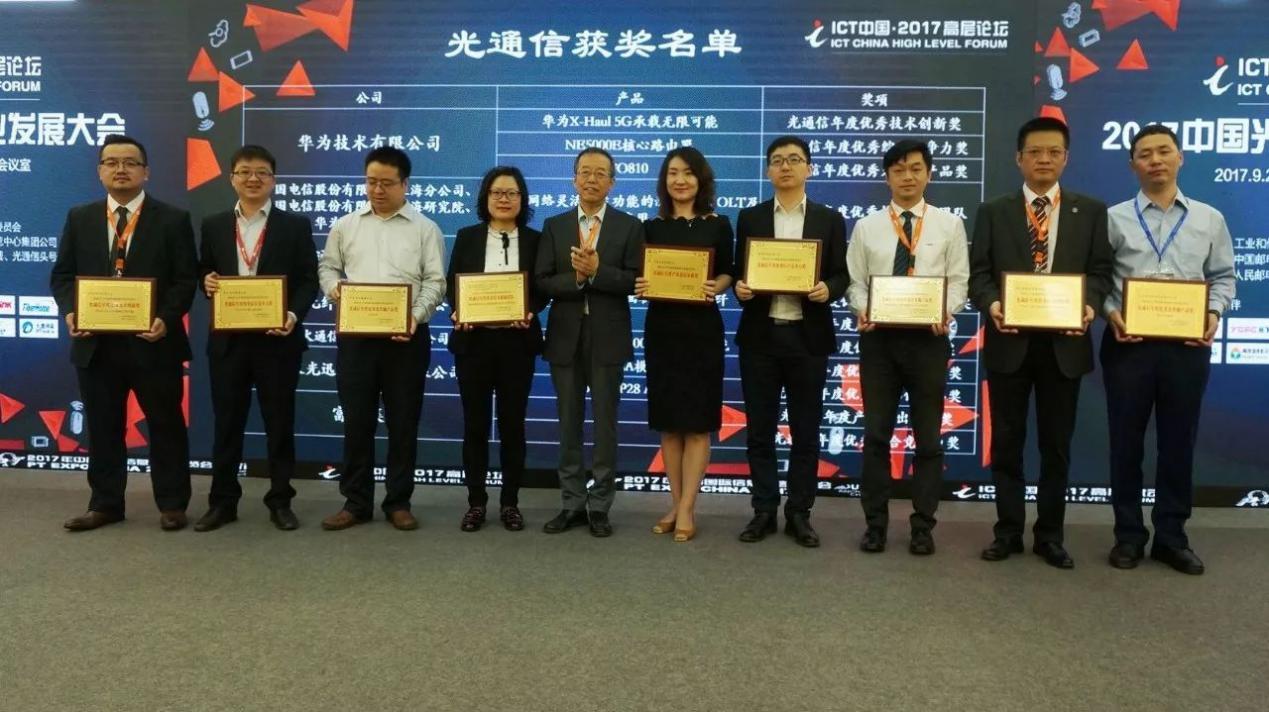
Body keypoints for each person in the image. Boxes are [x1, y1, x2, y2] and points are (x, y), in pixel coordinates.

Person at [968, 117, 1114, 568]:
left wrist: (1088, 307)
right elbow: (979, 275)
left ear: (1066, 158)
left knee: (1056, 447)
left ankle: (1050, 535)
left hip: (1064, 348)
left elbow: (1101, 273)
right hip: (1009, 344)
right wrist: (993, 305)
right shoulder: (994, 211)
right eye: (1035, 152)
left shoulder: (1091, 211)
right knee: (1007, 445)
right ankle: (1008, 532)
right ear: (1019, 158)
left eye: (1053, 152)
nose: (1044, 159)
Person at [1101, 124, 1235, 575]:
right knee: (1125, 443)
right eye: (1145, 154)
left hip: (1185, 346)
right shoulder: (1113, 218)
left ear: (1181, 158)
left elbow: (1223, 277)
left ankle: (1172, 537)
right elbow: (1098, 279)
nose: (1155, 160)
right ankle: (1128, 535)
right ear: (1132, 165)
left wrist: (1213, 313)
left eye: (1164, 151)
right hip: (1128, 345)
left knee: (1179, 442)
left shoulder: (1209, 219)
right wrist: (1110, 312)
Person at [50, 134, 198, 531]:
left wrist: (166, 318)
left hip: (155, 343)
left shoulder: (173, 219)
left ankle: (172, 504)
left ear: (146, 172)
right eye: (111, 162)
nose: (121, 169)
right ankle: (105, 504)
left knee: (165, 426)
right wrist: (71, 313)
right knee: (103, 427)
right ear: (99, 171)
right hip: (96, 346)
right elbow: (62, 276)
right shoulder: (80, 217)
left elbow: (185, 279)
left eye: (130, 163)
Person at [846, 139, 969, 556]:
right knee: (876, 436)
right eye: (898, 170)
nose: (907, 177)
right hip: (879, 342)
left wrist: (945, 311)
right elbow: (855, 283)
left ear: (929, 174)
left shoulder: (949, 225)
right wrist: (863, 309)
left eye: (915, 168)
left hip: (928, 342)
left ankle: (923, 526)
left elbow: (959, 281)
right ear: (887, 178)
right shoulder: (867, 227)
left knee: (928, 439)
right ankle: (875, 525)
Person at [317, 146, 446, 531]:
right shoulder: (346, 225)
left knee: (403, 423)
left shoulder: (425, 228)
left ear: (405, 184)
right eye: (371, 181)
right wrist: (335, 290)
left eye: (386, 183)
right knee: (357, 422)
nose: (377, 190)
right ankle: (355, 502)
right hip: (357, 339)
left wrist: (414, 317)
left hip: (406, 340)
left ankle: (398, 502)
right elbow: (328, 268)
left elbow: (435, 282)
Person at [194, 144, 318, 532]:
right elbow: (204, 269)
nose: (253, 178)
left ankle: (280, 501)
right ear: (232, 178)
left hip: (277, 341)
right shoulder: (214, 224)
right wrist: (205, 281)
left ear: (273, 180)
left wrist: (292, 316)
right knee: (227, 425)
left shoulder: (294, 225)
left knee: (279, 425)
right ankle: (222, 502)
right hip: (228, 342)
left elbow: (307, 280)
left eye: (262, 172)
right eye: (245, 171)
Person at [733, 135, 849, 548]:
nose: (786, 166)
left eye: (794, 159)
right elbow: (740, 272)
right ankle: (764, 510)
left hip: (807, 339)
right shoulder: (750, 217)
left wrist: (828, 289)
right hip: (760, 339)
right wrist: (741, 288)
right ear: (768, 170)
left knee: (805, 431)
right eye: (778, 160)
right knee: (760, 432)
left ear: (809, 169)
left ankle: (799, 512)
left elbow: (841, 274)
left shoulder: (828, 219)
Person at [534, 147, 644, 537]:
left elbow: (635, 280)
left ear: (612, 182)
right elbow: (543, 281)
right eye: (584, 172)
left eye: (600, 173)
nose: (591, 179)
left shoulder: (629, 226)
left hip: (608, 338)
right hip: (565, 338)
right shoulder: (555, 225)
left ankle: (599, 506)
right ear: (573, 179)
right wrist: (578, 279)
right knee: (568, 424)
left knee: (605, 425)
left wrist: (598, 272)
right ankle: (571, 503)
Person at [634, 147, 734, 543]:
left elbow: (729, 271)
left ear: (701, 179)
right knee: (670, 425)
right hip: (662, 332)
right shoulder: (651, 227)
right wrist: (641, 284)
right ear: (664, 180)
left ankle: (689, 507)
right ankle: (675, 504)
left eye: (688, 173)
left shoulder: (719, 224)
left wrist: (716, 286)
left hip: (702, 333)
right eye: (673, 172)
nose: (680, 180)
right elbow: (640, 274)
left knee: (697, 425)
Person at [447, 166, 545, 533]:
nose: (504, 199)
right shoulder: (468, 236)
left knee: (512, 425)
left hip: (517, 344)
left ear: (522, 199)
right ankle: (476, 502)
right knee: (474, 425)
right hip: (474, 343)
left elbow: (542, 287)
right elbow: (453, 283)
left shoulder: (535, 240)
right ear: (485, 198)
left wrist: (530, 309)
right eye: (497, 193)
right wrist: (459, 310)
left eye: (512, 193)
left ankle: (510, 503)